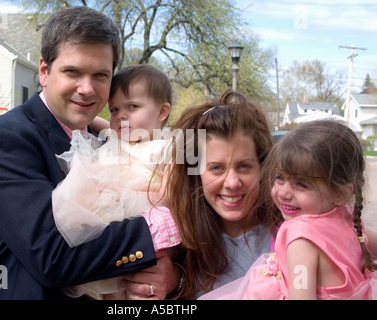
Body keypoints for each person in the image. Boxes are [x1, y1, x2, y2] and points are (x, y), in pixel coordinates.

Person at [0, 7, 180, 300]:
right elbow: (53, 256)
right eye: (73, 72)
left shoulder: (111, 139)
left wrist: (172, 275)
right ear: (44, 71)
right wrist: (166, 225)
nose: (87, 88)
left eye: (100, 75)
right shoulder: (7, 139)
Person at [200, 120, 377, 300]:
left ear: (340, 192)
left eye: (301, 184)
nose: (283, 193)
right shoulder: (346, 216)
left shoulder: (301, 239)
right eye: (280, 178)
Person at [51, 64, 181, 299]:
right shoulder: (115, 138)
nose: (120, 115)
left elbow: (168, 195)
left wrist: (122, 190)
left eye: (132, 106)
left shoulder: (167, 148)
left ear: (162, 112)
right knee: (106, 288)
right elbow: (94, 123)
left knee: (136, 286)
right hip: (101, 240)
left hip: (141, 232)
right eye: (114, 109)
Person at [159, 89, 275, 299]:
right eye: (216, 168)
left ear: (262, 167)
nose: (232, 183)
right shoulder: (176, 240)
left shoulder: (287, 236)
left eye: (244, 166)